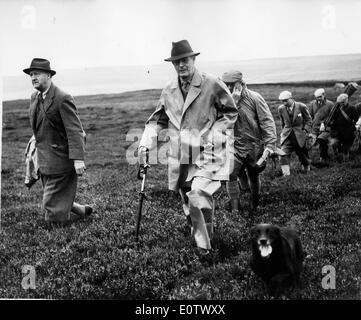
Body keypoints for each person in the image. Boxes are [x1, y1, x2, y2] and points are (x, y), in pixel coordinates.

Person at [138, 40, 238, 256]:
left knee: (198, 194)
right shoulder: (168, 89)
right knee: (187, 199)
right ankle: (199, 231)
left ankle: (204, 248)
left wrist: (216, 135)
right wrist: (147, 142)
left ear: (193, 60)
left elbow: (230, 112)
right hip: (180, 155)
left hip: (207, 152)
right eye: (176, 62)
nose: (181, 65)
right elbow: (158, 119)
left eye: (185, 60)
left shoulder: (211, 83)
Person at [23, 58, 92, 228]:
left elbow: (75, 130)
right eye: (31, 74)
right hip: (44, 159)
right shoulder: (35, 97)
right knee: (53, 193)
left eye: (37, 73)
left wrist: (78, 159)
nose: (33, 77)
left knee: (51, 206)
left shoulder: (62, 98)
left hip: (61, 159)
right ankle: (79, 210)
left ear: (48, 75)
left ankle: (58, 223)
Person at [220, 70, 277, 211]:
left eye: (231, 84)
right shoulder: (224, 100)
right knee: (230, 173)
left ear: (241, 83)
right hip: (234, 145)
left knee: (253, 174)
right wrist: (232, 103)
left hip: (254, 146)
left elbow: (266, 121)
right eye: (225, 84)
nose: (228, 87)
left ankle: (255, 204)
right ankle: (235, 210)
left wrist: (270, 144)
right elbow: (221, 122)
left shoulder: (255, 98)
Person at [278, 91, 312, 176]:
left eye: (286, 100)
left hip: (300, 135)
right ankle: (286, 175)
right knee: (283, 154)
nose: (284, 103)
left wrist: (305, 130)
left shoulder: (301, 106)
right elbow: (282, 123)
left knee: (302, 154)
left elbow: (309, 120)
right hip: (287, 135)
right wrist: (283, 133)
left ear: (291, 98)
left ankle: (306, 168)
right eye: (282, 101)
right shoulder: (281, 109)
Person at [328, 93, 359, 161]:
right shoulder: (335, 109)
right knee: (334, 143)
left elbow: (356, 119)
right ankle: (337, 156)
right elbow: (331, 118)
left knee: (346, 147)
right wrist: (331, 123)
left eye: (342, 102)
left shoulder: (352, 108)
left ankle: (346, 162)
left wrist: (352, 127)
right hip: (337, 131)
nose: (341, 104)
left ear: (346, 100)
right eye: (339, 103)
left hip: (348, 131)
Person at [308, 88, 334, 165]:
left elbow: (333, 118)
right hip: (315, 128)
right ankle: (310, 160)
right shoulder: (312, 104)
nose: (318, 98)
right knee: (311, 144)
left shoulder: (330, 104)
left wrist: (325, 124)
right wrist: (310, 126)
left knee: (321, 140)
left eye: (320, 96)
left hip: (326, 128)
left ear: (324, 95)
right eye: (317, 97)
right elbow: (310, 116)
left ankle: (323, 158)